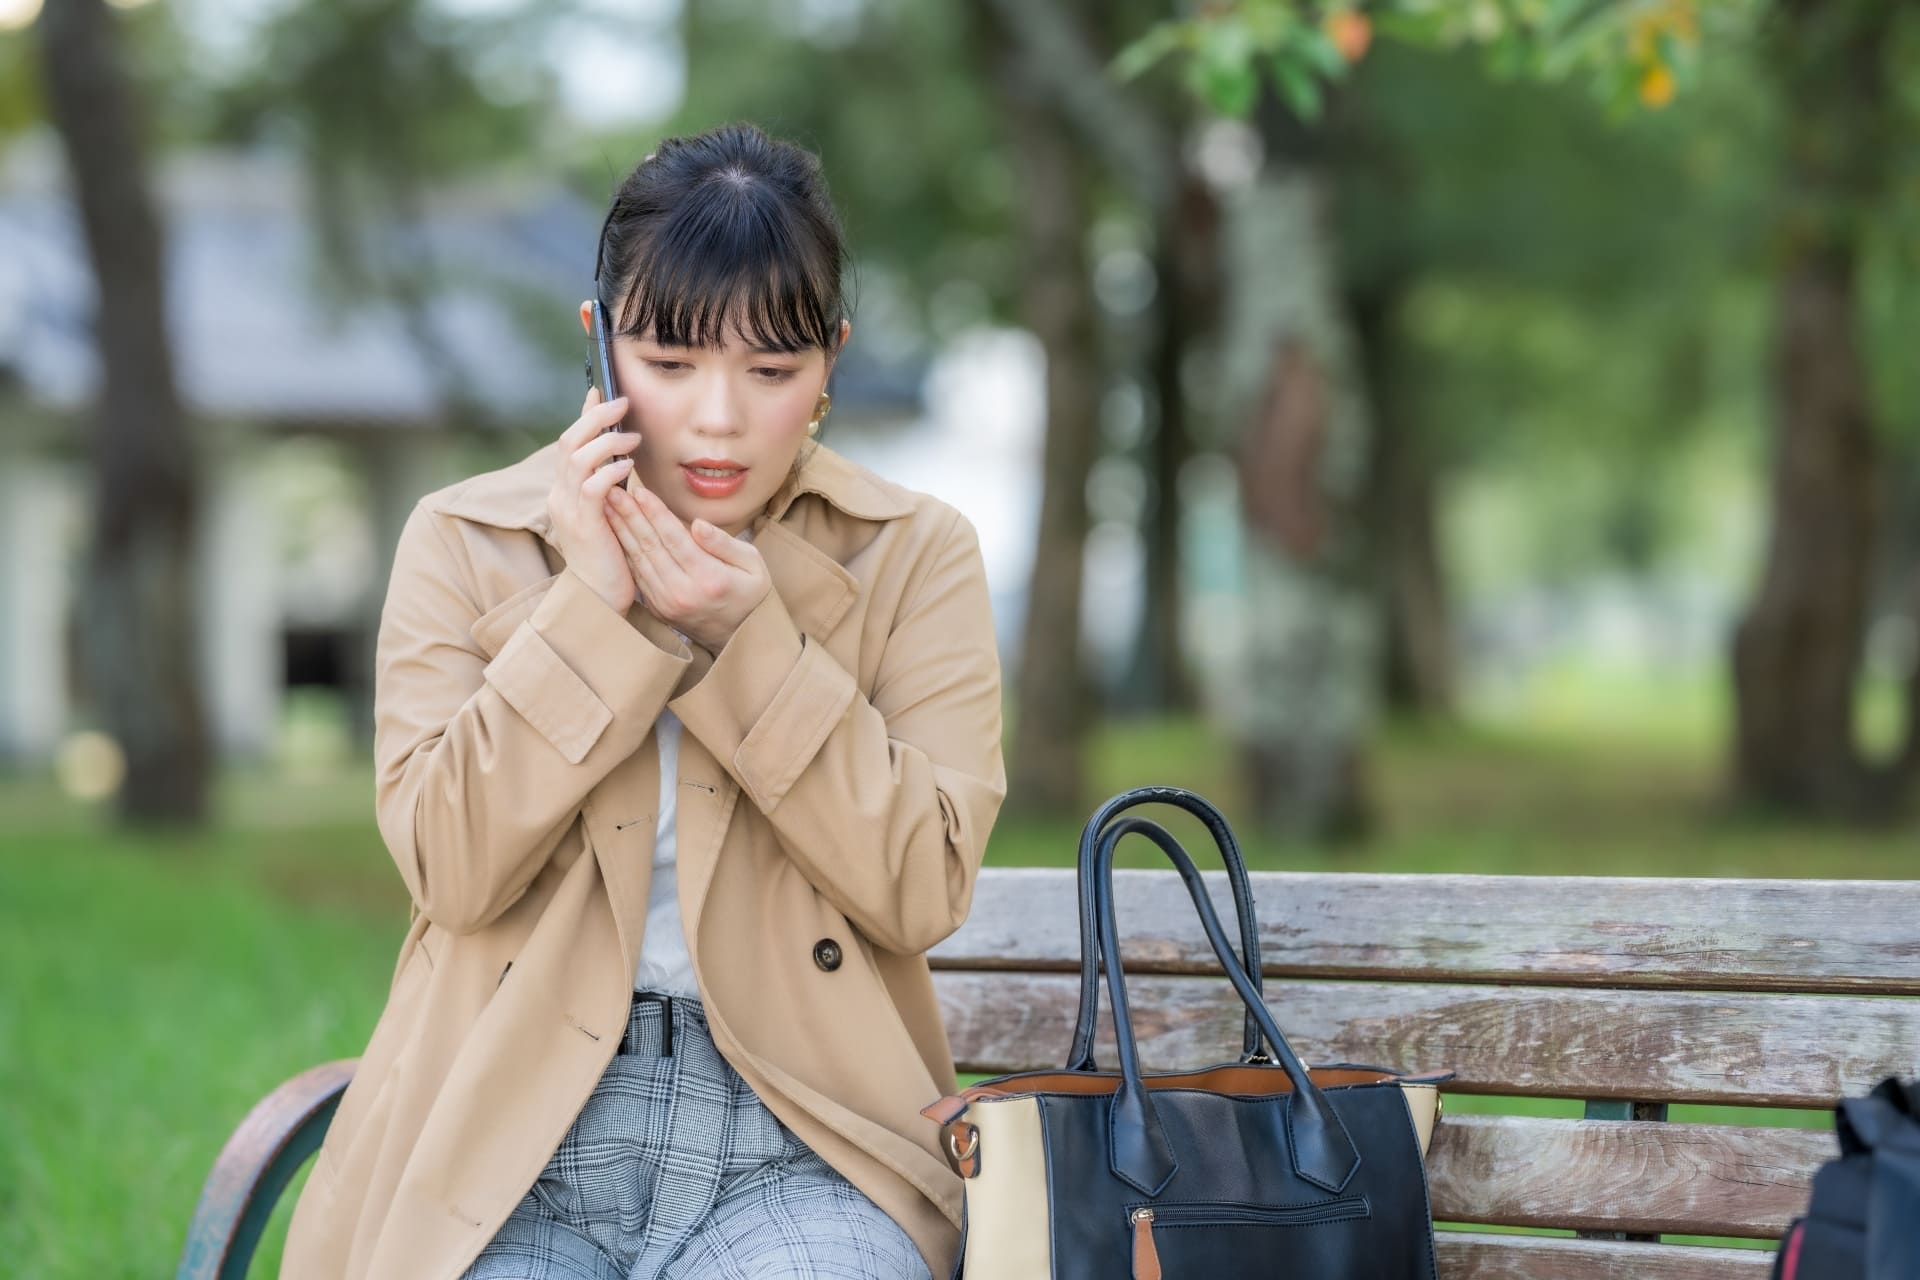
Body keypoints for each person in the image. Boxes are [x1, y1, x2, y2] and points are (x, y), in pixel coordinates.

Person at [280, 122, 1007, 1280]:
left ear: (831, 364)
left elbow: (925, 882)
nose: (719, 418)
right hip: (508, 1122)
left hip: (804, 1131)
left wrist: (749, 640)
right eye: (669, 364)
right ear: (601, 346)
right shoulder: (471, 540)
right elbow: (448, 865)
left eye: (771, 371)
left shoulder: (911, 554)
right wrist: (592, 610)